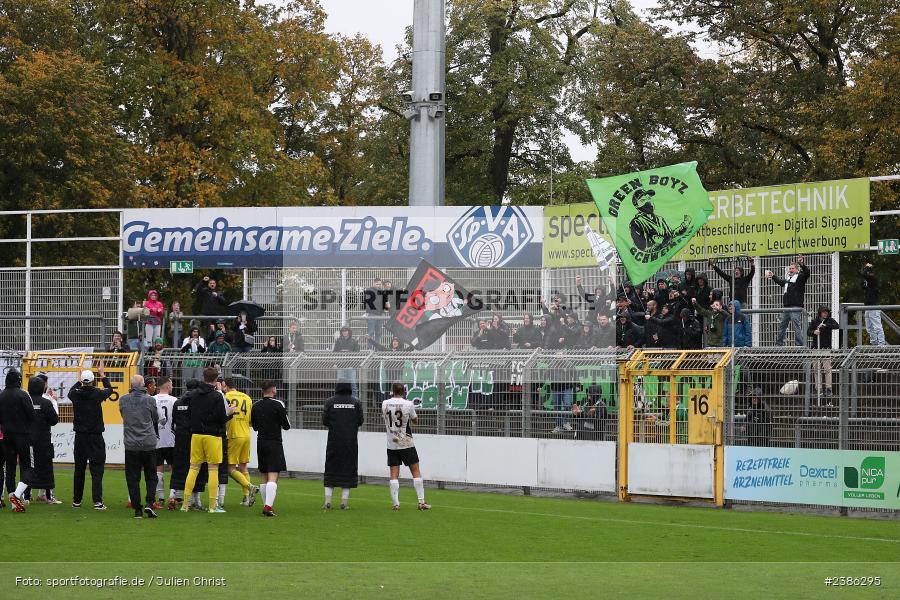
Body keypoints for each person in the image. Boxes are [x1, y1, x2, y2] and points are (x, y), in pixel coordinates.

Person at [180, 367, 234, 514]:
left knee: (193, 468)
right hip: (213, 435)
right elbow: (222, 418)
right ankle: (212, 505)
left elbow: (189, 414)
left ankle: (185, 504)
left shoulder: (193, 394)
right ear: (216, 380)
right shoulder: (217, 396)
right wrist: (230, 413)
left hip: (196, 435)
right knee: (213, 469)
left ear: (203, 377)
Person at [68, 366, 114, 509]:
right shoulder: (97, 394)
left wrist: (79, 380)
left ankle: (77, 500)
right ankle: (97, 501)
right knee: (97, 469)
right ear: (93, 381)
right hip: (95, 437)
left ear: (82, 381)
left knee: (79, 469)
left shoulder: (75, 394)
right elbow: (110, 389)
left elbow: (70, 391)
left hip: (80, 437)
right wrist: (103, 375)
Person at [382, 383, 430, 510]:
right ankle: (421, 502)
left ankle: (396, 504)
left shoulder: (385, 403)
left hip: (392, 443)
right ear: (404, 391)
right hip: (406, 442)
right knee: (415, 471)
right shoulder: (408, 404)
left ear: (392, 391)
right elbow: (415, 420)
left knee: (393, 473)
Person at [120, 374, 160, 519]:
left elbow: (123, 415)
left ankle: (137, 509)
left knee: (133, 478)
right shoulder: (150, 400)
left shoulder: (123, 400)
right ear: (143, 385)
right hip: (148, 443)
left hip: (131, 444)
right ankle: (150, 502)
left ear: (131, 385)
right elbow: (155, 418)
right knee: (151, 476)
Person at [322, 380, 364, 509]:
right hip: (350, 442)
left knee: (331, 468)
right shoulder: (356, 402)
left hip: (334, 441)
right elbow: (360, 421)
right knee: (348, 469)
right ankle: (344, 503)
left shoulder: (330, 402)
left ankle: (327, 501)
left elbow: (325, 421)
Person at [251, 381, 291, 517]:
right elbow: (287, 425)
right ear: (273, 389)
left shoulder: (256, 405)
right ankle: (268, 507)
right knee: (273, 475)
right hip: (274, 442)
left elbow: (255, 427)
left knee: (264, 475)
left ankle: (266, 506)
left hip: (261, 442)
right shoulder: (278, 404)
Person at [169, 379, 208, 511]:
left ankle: (174, 496)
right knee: (197, 469)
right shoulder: (198, 402)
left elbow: (174, 423)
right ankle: (195, 500)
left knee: (180, 468)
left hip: (181, 440)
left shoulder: (178, 402)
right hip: (195, 438)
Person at [0, 370, 35, 511]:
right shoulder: (22, 395)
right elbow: (31, 415)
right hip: (22, 435)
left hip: (6, 436)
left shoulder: (1, 395)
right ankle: (17, 494)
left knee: (10, 467)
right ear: (19, 380)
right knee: (27, 467)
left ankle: (14, 503)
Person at [222, 378, 258, 507]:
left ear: (226, 386)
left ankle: (249, 486)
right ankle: (246, 498)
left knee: (230, 468)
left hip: (233, 435)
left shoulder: (225, 397)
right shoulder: (247, 398)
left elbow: (223, 417)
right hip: (246, 434)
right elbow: (250, 420)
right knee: (243, 466)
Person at [28, 375, 59, 506]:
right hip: (44, 441)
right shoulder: (46, 402)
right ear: (42, 387)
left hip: (28, 440)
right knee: (47, 468)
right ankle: (48, 496)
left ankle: (26, 496)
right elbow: (54, 420)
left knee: (27, 467)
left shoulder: (26, 401)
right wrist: (54, 402)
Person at [766, 255, 810, 346]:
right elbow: (781, 282)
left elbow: (807, 273)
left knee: (796, 326)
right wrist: (773, 276)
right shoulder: (788, 279)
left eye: (792, 268)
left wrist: (801, 264)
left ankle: (800, 345)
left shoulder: (800, 277)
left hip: (795, 306)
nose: (790, 270)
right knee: (782, 326)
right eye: (790, 268)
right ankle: (779, 344)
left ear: (797, 270)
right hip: (786, 307)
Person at [154, 377, 178, 506]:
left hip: (156, 439)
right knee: (174, 468)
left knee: (158, 469)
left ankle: (161, 498)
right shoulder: (174, 400)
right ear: (168, 386)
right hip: (171, 440)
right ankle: (172, 496)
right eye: (172, 384)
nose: (172, 386)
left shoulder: (152, 399)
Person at [807, 306, 840, 400]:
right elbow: (808, 332)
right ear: (820, 313)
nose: (825, 314)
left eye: (826, 312)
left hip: (826, 348)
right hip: (815, 348)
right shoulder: (815, 321)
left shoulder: (830, 320)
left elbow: (837, 326)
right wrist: (814, 332)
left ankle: (828, 388)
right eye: (823, 312)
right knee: (816, 369)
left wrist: (826, 325)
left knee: (827, 369)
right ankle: (819, 389)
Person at [862, 263, 886, 345]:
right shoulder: (867, 281)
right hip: (867, 306)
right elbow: (864, 280)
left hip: (874, 306)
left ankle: (881, 344)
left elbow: (864, 274)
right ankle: (874, 343)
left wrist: (867, 267)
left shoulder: (874, 278)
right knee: (869, 327)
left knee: (877, 326)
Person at [333, 326, 360, 398]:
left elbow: (357, 353)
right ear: (341, 332)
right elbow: (334, 353)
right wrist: (335, 363)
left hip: (351, 366)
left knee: (353, 384)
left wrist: (353, 362)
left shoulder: (354, 341)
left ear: (349, 332)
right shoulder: (338, 341)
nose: (344, 332)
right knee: (340, 384)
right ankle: (340, 399)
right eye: (343, 331)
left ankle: (355, 400)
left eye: (346, 331)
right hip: (340, 366)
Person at [363, 277, 387, 349]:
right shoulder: (369, 290)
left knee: (379, 332)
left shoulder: (381, 291)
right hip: (372, 314)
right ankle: (369, 348)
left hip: (380, 314)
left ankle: (377, 348)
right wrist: (368, 312)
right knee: (371, 332)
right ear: (373, 283)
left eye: (379, 284)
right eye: (377, 284)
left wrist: (383, 311)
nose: (378, 285)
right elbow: (367, 302)